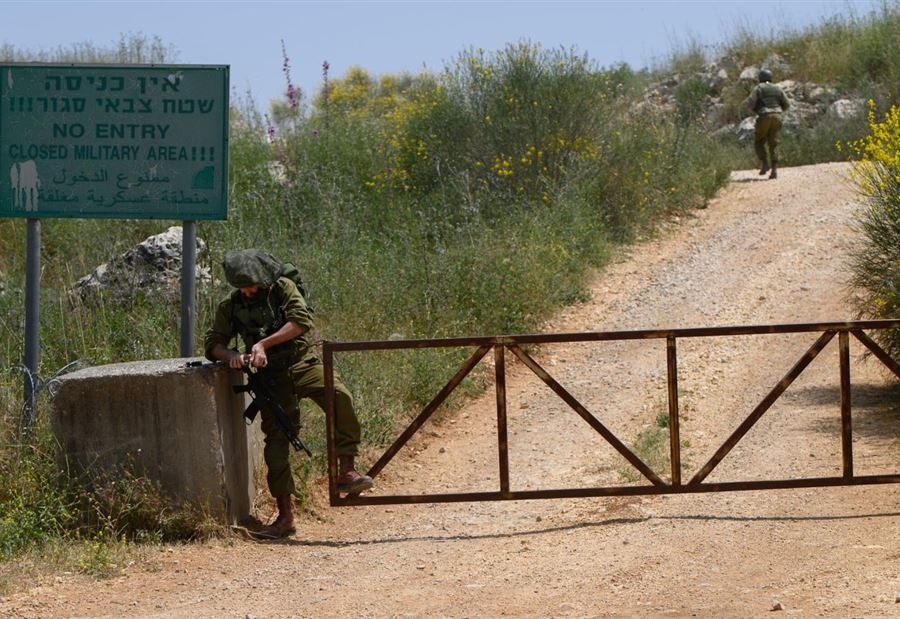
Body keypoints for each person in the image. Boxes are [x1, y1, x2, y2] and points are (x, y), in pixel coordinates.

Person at [204, 249, 373, 538]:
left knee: (340, 396)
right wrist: (232, 355)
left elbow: (301, 321)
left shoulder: (282, 288)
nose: (247, 290)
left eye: (251, 284)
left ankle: (346, 469)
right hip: (272, 378)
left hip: (302, 363)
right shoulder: (231, 305)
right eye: (241, 286)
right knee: (277, 441)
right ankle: (285, 516)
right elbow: (212, 343)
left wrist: (263, 345)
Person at [742, 68, 790, 179]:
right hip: (777, 116)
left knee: (759, 141)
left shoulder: (758, 88)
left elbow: (750, 103)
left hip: (764, 115)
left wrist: (756, 110)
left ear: (760, 78)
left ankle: (764, 163)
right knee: (774, 143)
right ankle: (774, 170)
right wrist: (777, 110)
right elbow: (787, 104)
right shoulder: (778, 88)